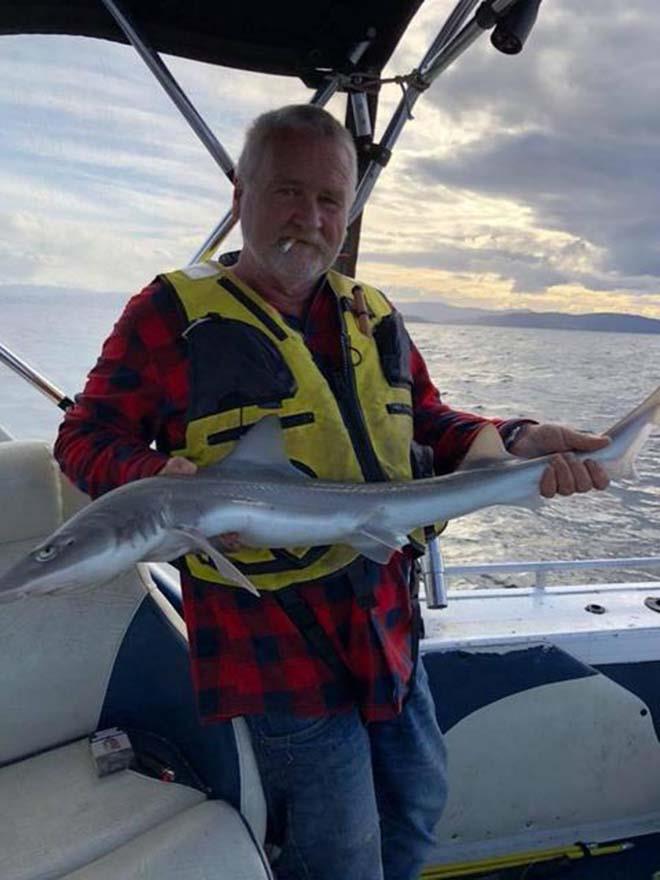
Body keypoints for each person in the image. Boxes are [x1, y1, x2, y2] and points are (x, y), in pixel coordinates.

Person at [54, 104, 610, 880]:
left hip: (386, 621)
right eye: (287, 193)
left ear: (348, 211)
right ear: (238, 190)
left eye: (329, 201)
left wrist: (517, 437)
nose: (309, 219)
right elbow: (83, 437)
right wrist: (156, 484)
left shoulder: (371, 313)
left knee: (417, 801)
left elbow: (433, 421)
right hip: (272, 641)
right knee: (338, 853)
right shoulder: (167, 317)